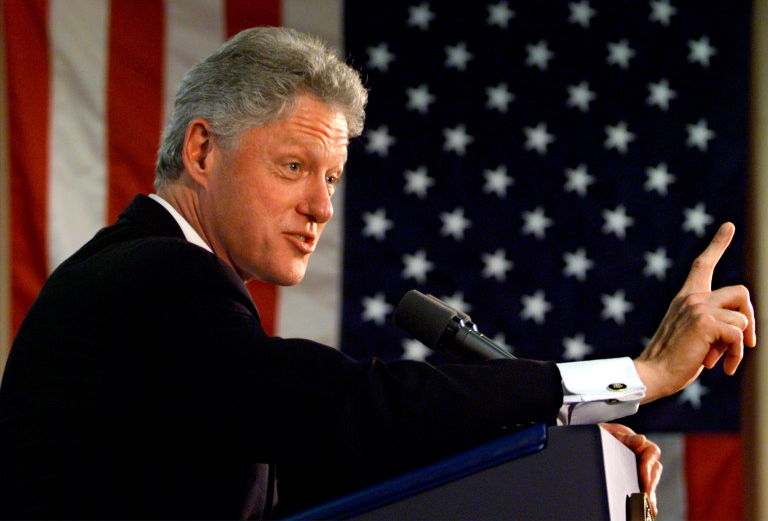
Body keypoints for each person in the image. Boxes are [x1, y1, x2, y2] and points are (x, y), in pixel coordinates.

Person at [0, 27, 755, 519]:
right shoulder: (148, 280)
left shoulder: (170, 290)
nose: (320, 207)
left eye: (331, 178)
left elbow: (321, 471)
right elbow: (346, 409)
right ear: (201, 152)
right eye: (294, 167)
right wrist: (643, 374)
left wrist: (560, 443)